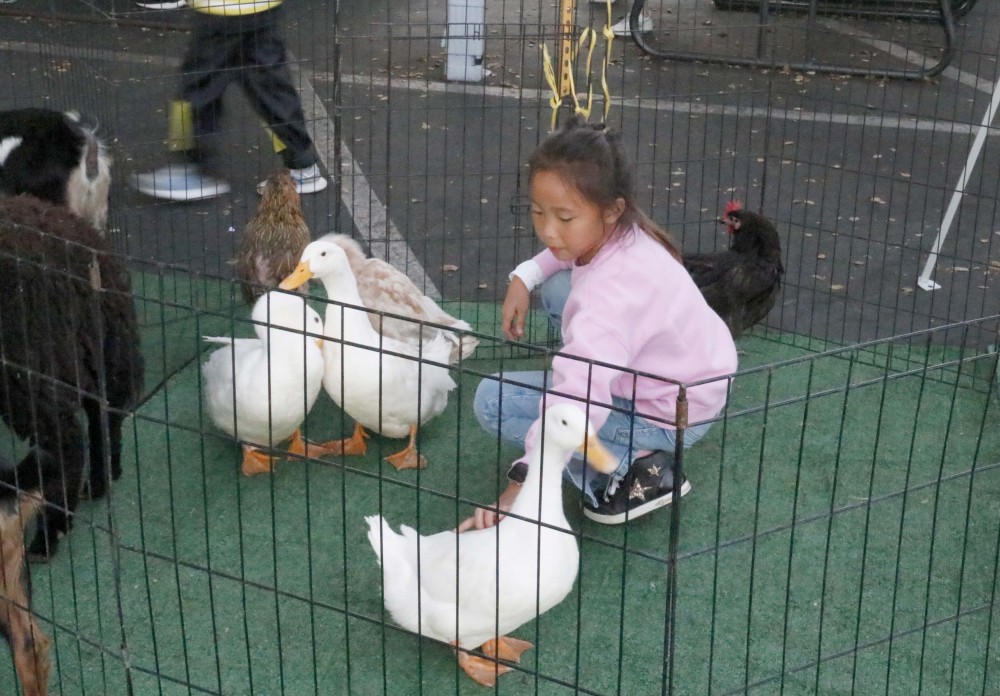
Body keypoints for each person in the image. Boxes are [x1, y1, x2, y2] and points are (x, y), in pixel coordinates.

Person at [461, 116, 737, 529]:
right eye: (538, 212)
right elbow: (565, 251)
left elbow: (578, 400)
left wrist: (524, 482)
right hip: (691, 384)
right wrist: (525, 276)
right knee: (558, 288)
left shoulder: (605, 299)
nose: (548, 231)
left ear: (611, 211)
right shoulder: (628, 233)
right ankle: (622, 420)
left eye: (564, 218)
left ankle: (638, 465)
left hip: (664, 414)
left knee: (492, 400)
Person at [134, 0, 327, 201]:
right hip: (261, 7)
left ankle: (194, 168)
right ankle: (302, 164)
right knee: (270, 86)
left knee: (199, 84)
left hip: (219, 9)